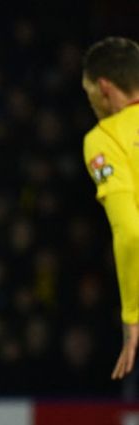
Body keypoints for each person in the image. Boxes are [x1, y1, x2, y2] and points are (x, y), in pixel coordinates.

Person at [82, 36, 139, 381]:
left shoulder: (104, 138)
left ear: (103, 87)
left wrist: (132, 317)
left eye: (87, 91)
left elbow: (131, 232)